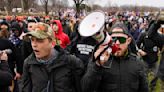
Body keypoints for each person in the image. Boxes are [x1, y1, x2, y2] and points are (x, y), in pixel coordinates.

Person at [81, 22, 148, 92]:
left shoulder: (137, 63)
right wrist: (97, 65)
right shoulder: (100, 61)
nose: (117, 43)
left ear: (128, 41)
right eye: (114, 39)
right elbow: (86, 88)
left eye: (121, 39)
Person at [21, 22, 84, 92]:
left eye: (39, 40)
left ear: (52, 43)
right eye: (32, 40)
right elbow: (26, 89)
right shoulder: (28, 63)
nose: (34, 45)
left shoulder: (70, 61)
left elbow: (83, 87)